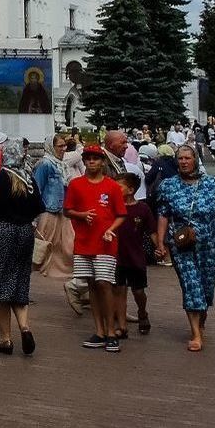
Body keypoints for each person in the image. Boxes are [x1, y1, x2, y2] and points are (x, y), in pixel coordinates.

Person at [155, 145, 215, 351]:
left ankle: (201, 321)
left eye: (187, 158)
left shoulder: (212, 184)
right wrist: (161, 242)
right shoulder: (168, 186)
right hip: (182, 245)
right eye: (180, 158)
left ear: (195, 159)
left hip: (209, 243)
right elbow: (163, 214)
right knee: (191, 285)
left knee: (206, 288)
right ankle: (196, 334)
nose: (183, 162)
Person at [0, 140, 45, 356]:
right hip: (24, 233)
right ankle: (25, 327)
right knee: (19, 282)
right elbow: (37, 210)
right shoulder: (28, 181)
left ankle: (5, 338)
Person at [63, 144, 127, 352]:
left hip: (105, 243)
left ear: (102, 162)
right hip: (84, 242)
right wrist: (82, 215)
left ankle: (111, 330)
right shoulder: (76, 185)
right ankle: (99, 330)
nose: (91, 161)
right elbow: (68, 210)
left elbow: (121, 214)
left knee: (104, 283)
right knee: (91, 284)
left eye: (95, 158)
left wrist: (111, 229)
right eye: (88, 158)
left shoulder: (112, 186)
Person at [113, 173, 155, 338]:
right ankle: (122, 326)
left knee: (138, 291)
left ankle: (142, 311)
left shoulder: (142, 209)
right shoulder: (113, 207)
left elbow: (151, 230)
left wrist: (159, 246)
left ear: (130, 190)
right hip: (117, 256)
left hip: (136, 256)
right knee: (119, 290)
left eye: (119, 187)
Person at [32, 135, 73, 279]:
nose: (64, 149)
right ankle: (25, 276)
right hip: (49, 211)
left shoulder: (62, 165)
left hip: (63, 210)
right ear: (51, 147)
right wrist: (35, 215)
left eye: (64, 145)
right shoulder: (45, 164)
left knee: (67, 246)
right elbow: (37, 188)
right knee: (42, 246)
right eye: (60, 146)